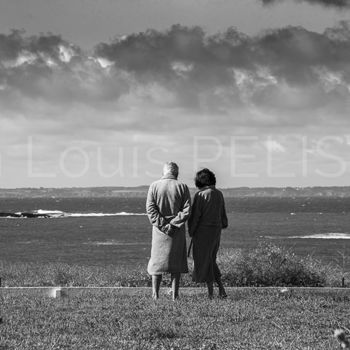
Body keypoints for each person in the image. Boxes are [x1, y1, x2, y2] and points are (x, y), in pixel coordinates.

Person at [146, 162, 191, 300]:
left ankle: (155, 294)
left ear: (164, 172)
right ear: (176, 173)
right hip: (176, 230)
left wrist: (163, 225)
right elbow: (187, 210)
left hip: (159, 230)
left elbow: (151, 209)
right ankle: (175, 295)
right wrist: (173, 224)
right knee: (176, 264)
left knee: (156, 263)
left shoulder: (154, 186)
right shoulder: (182, 187)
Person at [188, 168, 228, 299]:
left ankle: (211, 293)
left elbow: (195, 216)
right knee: (211, 259)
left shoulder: (200, 195)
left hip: (202, 232)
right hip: (216, 231)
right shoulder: (219, 194)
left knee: (204, 260)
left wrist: (191, 230)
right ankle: (221, 289)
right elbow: (223, 216)